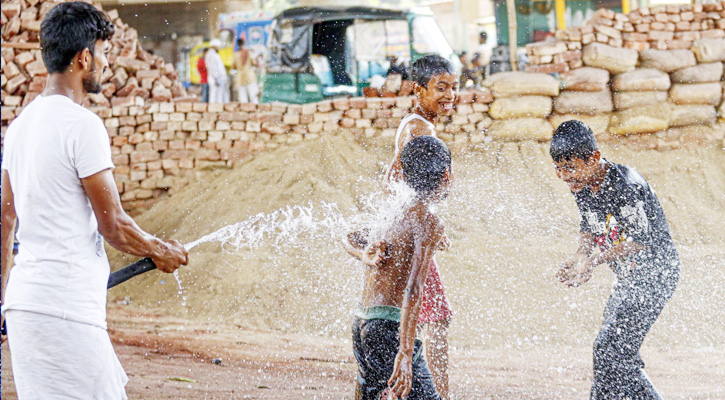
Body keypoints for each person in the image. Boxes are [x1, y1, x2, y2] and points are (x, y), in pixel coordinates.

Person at [0, 2, 189, 398]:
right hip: (65, 309)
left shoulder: (19, 128)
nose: (106, 63)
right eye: (103, 53)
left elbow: (4, 223)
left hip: (25, 306)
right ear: (84, 58)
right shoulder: (82, 125)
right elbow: (114, 225)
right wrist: (161, 250)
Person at [346, 54, 458, 400]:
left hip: (370, 312)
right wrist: (421, 221)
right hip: (410, 231)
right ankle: (431, 388)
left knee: (392, 336)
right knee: (432, 319)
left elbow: (394, 180)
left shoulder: (414, 124)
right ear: (417, 89)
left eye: (454, 87)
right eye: (441, 88)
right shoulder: (419, 129)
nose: (450, 95)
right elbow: (401, 178)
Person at [551, 120, 680, 400]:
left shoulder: (624, 183)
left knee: (612, 350)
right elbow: (588, 224)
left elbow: (640, 240)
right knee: (611, 351)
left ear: (594, 158)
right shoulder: (583, 183)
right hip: (631, 279)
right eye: (558, 169)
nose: (563, 176)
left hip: (656, 275)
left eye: (570, 167)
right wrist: (580, 255)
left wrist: (595, 260)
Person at [233, 37, 259, 104]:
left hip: (240, 77)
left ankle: (244, 113)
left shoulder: (235, 54)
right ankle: (256, 112)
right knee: (253, 96)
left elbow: (233, 66)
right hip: (249, 76)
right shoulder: (249, 52)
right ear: (244, 44)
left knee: (242, 98)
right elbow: (254, 63)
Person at [205, 38, 229, 104]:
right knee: (215, 97)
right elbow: (213, 68)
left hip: (218, 79)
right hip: (215, 79)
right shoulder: (211, 55)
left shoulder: (214, 54)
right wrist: (216, 78)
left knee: (219, 97)